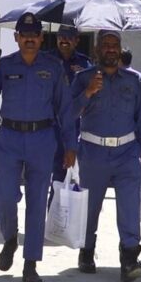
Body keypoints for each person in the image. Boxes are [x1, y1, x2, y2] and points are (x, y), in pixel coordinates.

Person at [0, 12, 76, 282]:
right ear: (16, 37)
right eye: (25, 35)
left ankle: (31, 263)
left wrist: (71, 145)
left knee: (36, 201)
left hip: (42, 139)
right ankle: (10, 238)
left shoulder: (53, 67)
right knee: (5, 196)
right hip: (9, 138)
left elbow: (65, 109)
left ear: (41, 38)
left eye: (34, 35)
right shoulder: (5, 65)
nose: (30, 39)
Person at [70, 29, 141, 282]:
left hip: (127, 153)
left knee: (129, 207)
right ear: (97, 51)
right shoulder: (83, 78)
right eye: (106, 45)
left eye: (115, 45)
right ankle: (87, 250)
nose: (111, 49)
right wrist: (88, 92)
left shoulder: (133, 80)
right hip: (93, 153)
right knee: (91, 208)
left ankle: (129, 257)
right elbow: (67, 113)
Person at [45, 25, 92, 206]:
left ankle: (58, 216)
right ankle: (48, 215)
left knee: (65, 172)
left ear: (77, 40)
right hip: (47, 125)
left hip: (72, 126)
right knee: (44, 174)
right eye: (61, 36)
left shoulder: (85, 64)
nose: (64, 40)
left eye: (69, 37)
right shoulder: (46, 59)